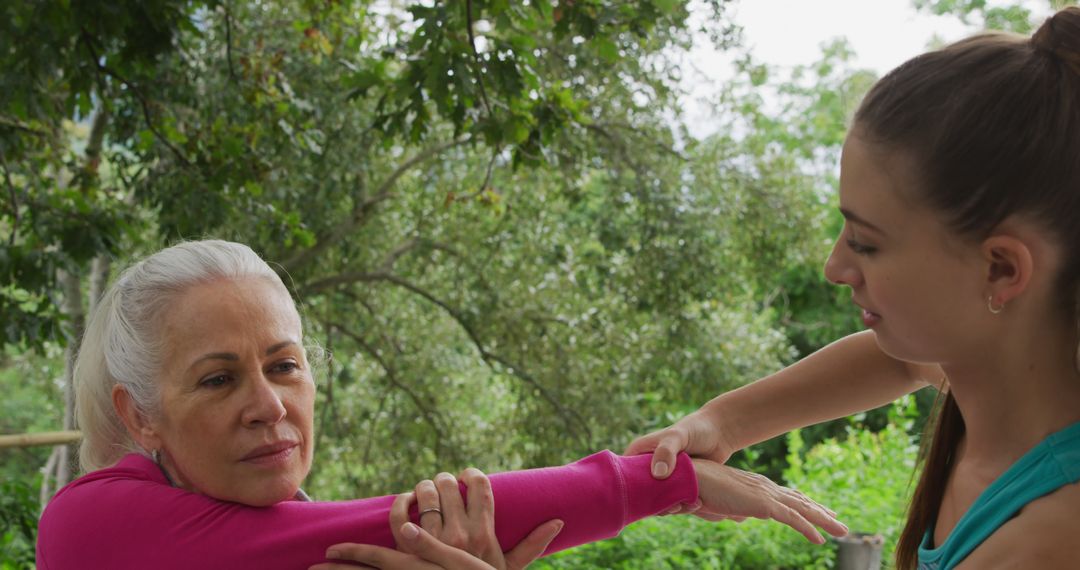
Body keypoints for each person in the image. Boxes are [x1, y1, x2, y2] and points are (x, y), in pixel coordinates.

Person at [36, 239, 846, 570]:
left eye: (284, 366)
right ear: (139, 416)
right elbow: (390, 522)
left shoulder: (293, 537)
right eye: (218, 379)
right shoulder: (91, 526)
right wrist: (663, 481)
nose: (268, 406)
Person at [628, 7, 1080, 570]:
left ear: (1001, 271)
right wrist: (723, 424)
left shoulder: (1052, 538)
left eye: (866, 243)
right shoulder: (996, 376)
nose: (834, 266)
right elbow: (897, 366)